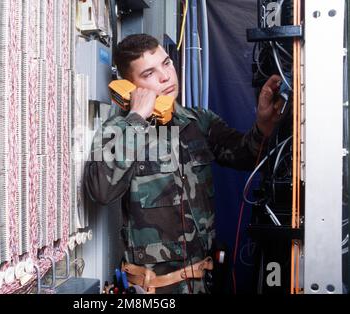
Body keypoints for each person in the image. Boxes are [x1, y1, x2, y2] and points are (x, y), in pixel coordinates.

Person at [84, 33, 283, 294]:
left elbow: (246, 155)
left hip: (206, 283)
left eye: (166, 64)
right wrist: (136, 119)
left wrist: (262, 126)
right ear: (129, 86)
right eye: (149, 74)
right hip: (156, 290)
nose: (166, 76)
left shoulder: (198, 121)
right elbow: (100, 190)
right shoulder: (118, 129)